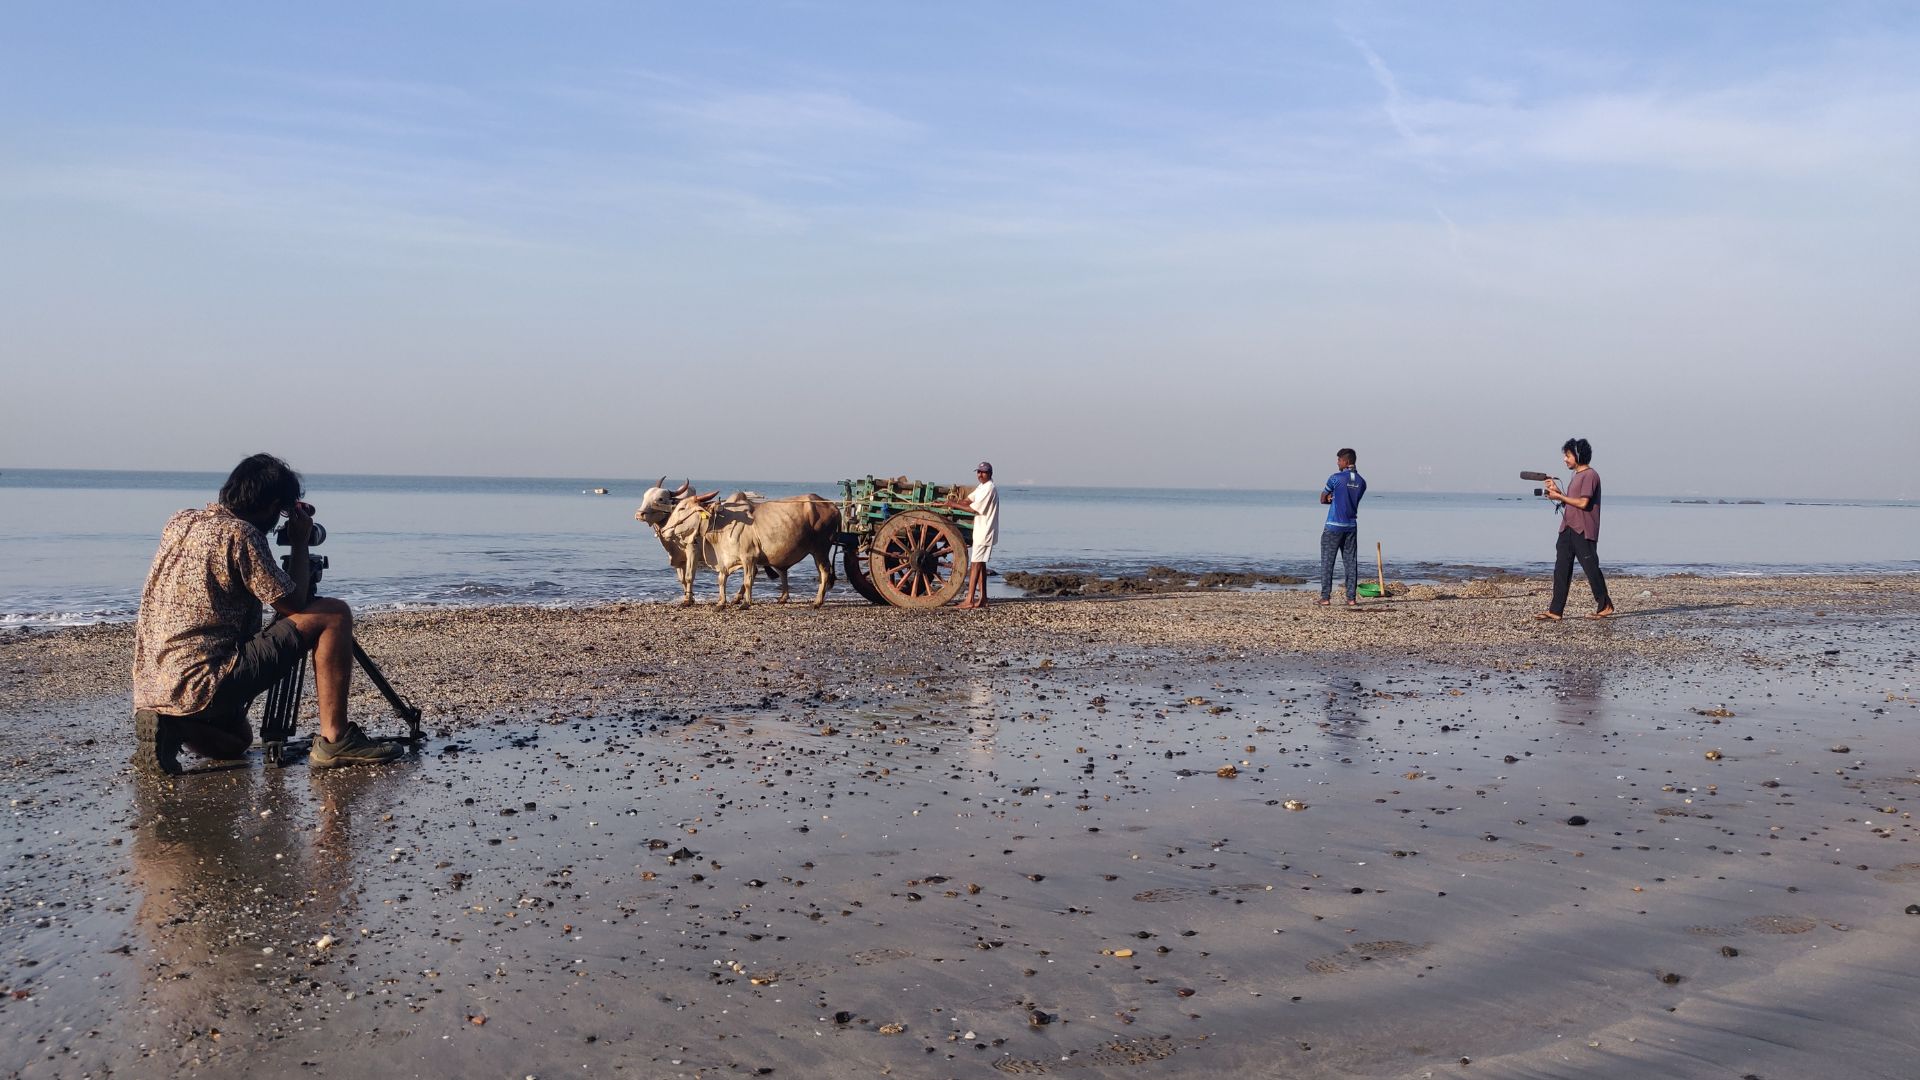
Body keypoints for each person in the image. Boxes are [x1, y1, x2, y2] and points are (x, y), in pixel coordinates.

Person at [131, 453, 402, 774]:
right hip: (205, 682)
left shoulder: (180, 522)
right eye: (282, 510)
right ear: (272, 505)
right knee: (334, 614)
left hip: (155, 687)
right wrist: (301, 543)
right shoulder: (241, 535)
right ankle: (335, 740)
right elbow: (294, 604)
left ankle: (170, 726)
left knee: (238, 741)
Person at [1537, 437, 1614, 621]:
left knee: (1590, 567)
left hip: (1583, 529)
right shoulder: (1577, 476)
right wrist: (1557, 493)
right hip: (1568, 528)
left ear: (1578, 455)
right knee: (1561, 568)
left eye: (1568, 455)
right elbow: (1572, 503)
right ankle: (1556, 610)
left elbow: (1583, 502)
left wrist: (1560, 498)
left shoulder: (1590, 475)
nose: (1565, 459)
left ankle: (1605, 605)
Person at [1316, 448, 1367, 607]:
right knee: (1351, 563)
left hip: (1333, 526)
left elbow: (1323, 498)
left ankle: (1325, 598)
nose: (1337, 463)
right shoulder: (1362, 482)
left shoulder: (1335, 478)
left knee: (1327, 561)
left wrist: (1331, 498)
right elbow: (1349, 499)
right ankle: (1351, 598)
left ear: (1345, 461)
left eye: (1339, 460)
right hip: (1351, 526)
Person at [948, 462, 998, 609]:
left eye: (983, 472)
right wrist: (951, 502)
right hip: (981, 530)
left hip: (985, 531)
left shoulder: (989, 488)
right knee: (981, 564)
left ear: (989, 474)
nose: (979, 475)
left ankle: (969, 599)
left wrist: (952, 505)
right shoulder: (982, 487)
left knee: (975, 564)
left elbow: (973, 509)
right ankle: (983, 599)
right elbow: (969, 500)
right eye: (978, 472)